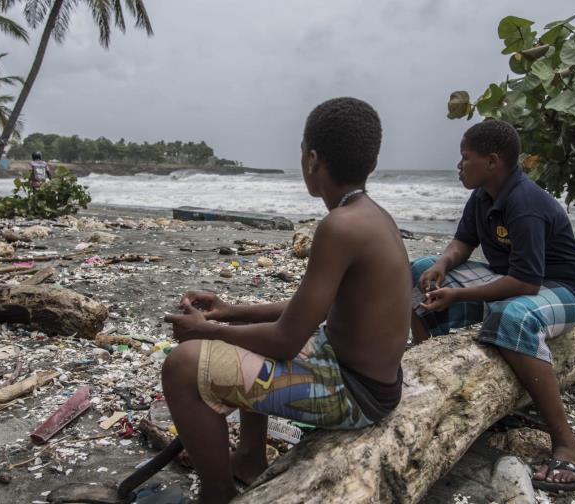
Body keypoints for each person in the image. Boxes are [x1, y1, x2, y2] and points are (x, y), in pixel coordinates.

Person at [162, 97, 410, 503]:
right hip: (370, 379)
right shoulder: (371, 215)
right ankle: (249, 458)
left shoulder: (339, 226)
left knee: (181, 367)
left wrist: (204, 330)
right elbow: (318, 310)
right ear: (372, 162)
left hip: (353, 395)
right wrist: (231, 312)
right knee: (244, 331)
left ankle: (218, 493)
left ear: (312, 159)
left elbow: (284, 342)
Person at [410, 120, 575, 492]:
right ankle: (438, 379)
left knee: (514, 316)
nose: (459, 165)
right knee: (418, 270)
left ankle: (567, 444)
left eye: (466, 158)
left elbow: (528, 282)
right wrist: (442, 265)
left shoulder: (524, 203)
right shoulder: (483, 196)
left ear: (493, 161)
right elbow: (463, 242)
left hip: (565, 289)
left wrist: (459, 295)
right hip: (517, 279)